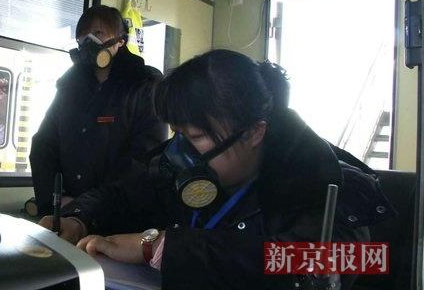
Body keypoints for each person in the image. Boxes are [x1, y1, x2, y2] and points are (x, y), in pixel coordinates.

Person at [39, 50, 394, 289]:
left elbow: (330, 261)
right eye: (180, 134)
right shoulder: (184, 158)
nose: (184, 151)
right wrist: (78, 218)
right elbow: (124, 194)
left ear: (255, 132)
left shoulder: (324, 184)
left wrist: (161, 248)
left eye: (197, 136)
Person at [30, 5, 167, 216]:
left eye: (98, 33)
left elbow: (142, 159)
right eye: (83, 35)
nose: (88, 41)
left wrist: (88, 208)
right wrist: (57, 199)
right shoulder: (68, 87)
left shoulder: (145, 85)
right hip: (66, 209)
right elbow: (43, 146)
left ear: (120, 40)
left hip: (117, 215)